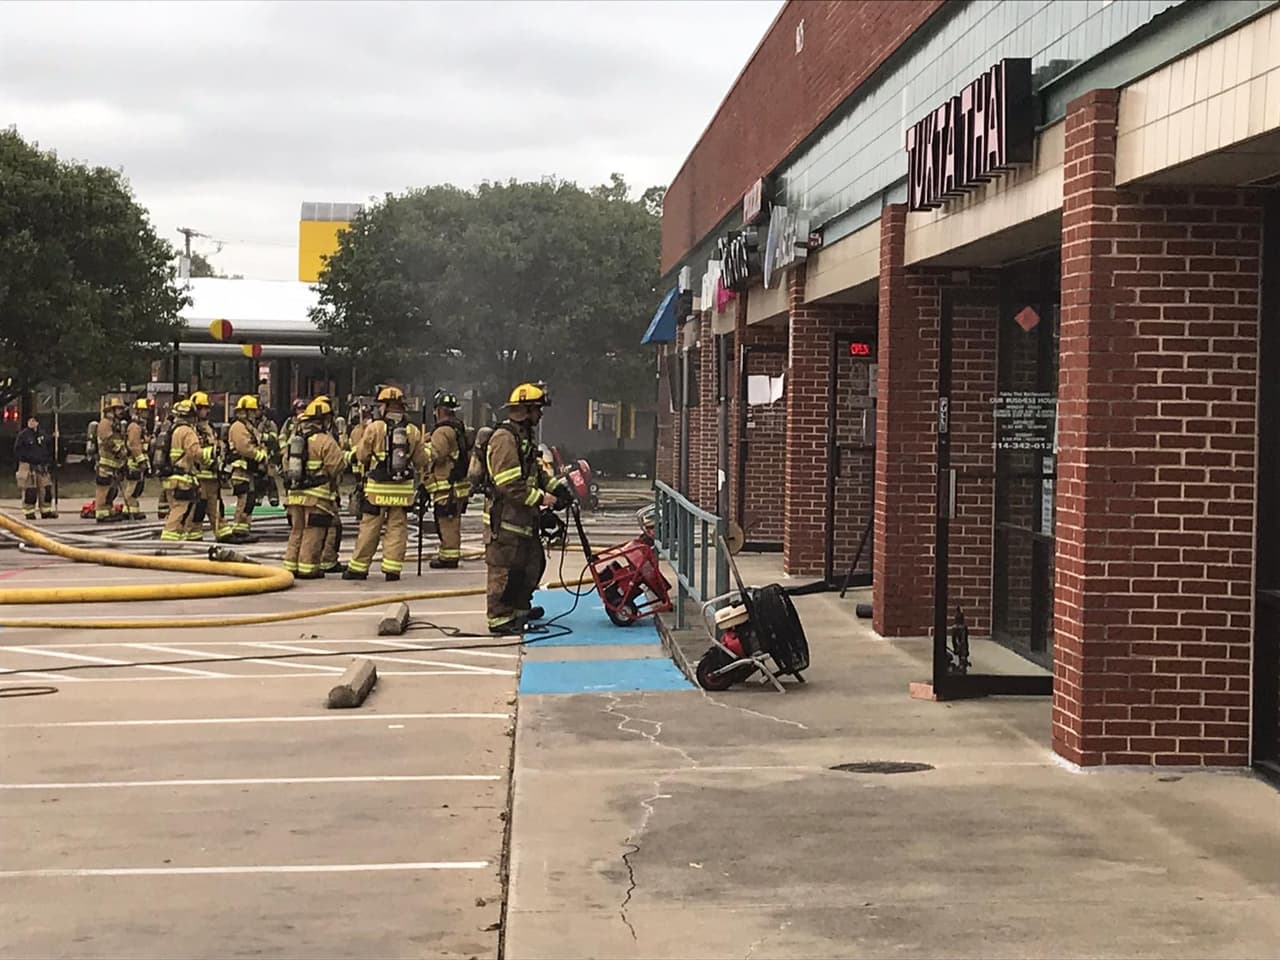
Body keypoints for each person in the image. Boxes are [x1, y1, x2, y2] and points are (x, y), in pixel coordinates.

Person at [481, 382, 571, 635]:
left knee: (531, 564)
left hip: (523, 518)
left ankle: (520, 609)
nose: (540, 415)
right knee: (504, 570)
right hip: (505, 519)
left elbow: (535, 472)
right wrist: (544, 499)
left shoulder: (524, 437)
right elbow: (509, 484)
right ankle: (499, 619)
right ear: (526, 410)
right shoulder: (504, 439)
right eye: (537, 409)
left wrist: (557, 488)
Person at [344, 385, 431, 582]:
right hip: (402, 490)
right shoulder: (413, 431)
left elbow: (362, 455)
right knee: (397, 528)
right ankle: (392, 569)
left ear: (384, 406)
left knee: (370, 527)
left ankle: (358, 568)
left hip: (377, 489)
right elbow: (421, 460)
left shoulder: (374, 428)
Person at [282, 397, 347, 579]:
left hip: (294, 495)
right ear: (324, 420)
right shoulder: (325, 441)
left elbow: (285, 464)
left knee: (297, 530)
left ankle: (290, 565)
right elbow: (337, 465)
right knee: (313, 532)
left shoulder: (295, 441)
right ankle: (308, 568)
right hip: (317, 497)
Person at [425, 389, 471, 569]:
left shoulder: (442, 431)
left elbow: (437, 454)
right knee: (451, 521)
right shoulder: (458, 428)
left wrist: (422, 450)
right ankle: (447, 554)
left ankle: (449, 557)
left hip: (446, 485)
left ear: (439, 410)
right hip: (457, 485)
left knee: (446, 521)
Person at [159, 400, 207, 542]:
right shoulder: (187, 431)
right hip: (182, 478)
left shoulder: (172, 430)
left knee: (177, 509)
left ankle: (178, 539)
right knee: (180, 510)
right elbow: (195, 453)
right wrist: (210, 453)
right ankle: (169, 541)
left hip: (171, 478)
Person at [189, 391, 233, 542]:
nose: (207, 411)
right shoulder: (191, 429)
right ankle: (194, 534)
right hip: (199, 476)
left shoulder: (209, 428)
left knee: (216, 506)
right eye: (203, 408)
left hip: (213, 476)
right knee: (198, 508)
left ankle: (223, 532)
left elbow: (216, 447)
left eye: (207, 408)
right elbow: (196, 453)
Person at [227, 395, 270, 543]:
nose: (254, 414)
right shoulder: (238, 427)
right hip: (240, 471)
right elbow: (244, 447)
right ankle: (239, 531)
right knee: (244, 500)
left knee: (250, 499)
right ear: (243, 412)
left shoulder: (248, 426)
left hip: (248, 471)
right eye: (251, 411)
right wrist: (260, 456)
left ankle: (244, 530)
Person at [93, 396, 128, 523]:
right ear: (111, 410)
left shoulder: (116, 423)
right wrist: (118, 450)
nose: (120, 411)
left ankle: (108, 510)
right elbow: (107, 441)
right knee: (104, 488)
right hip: (105, 463)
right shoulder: (105, 423)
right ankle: (101, 513)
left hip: (114, 463)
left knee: (112, 489)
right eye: (118, 408)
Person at [14, 416, 56, 520]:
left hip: (41, 466)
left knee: (46, 489)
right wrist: (26, 459)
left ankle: (46, 511)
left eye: (34, 421)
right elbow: (17, 450)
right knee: (30, 491)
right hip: (28, 466)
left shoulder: (42, 435)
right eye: (30, 421)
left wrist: (55, 438)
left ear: (37, 423)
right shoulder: (23, 435)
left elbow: (49, 446)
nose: (31, 423)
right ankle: (29, 512)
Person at [121, 397, 151, 521]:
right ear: (138, 412)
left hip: (139, 461)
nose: (147, 414)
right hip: (134, 462)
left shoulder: (141, 426)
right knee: (132, 487)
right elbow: (134, 445)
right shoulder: (134, 427)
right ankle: (127, 509)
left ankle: (133, 509)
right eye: (144, 411)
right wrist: (141, 461)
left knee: (138, 487)